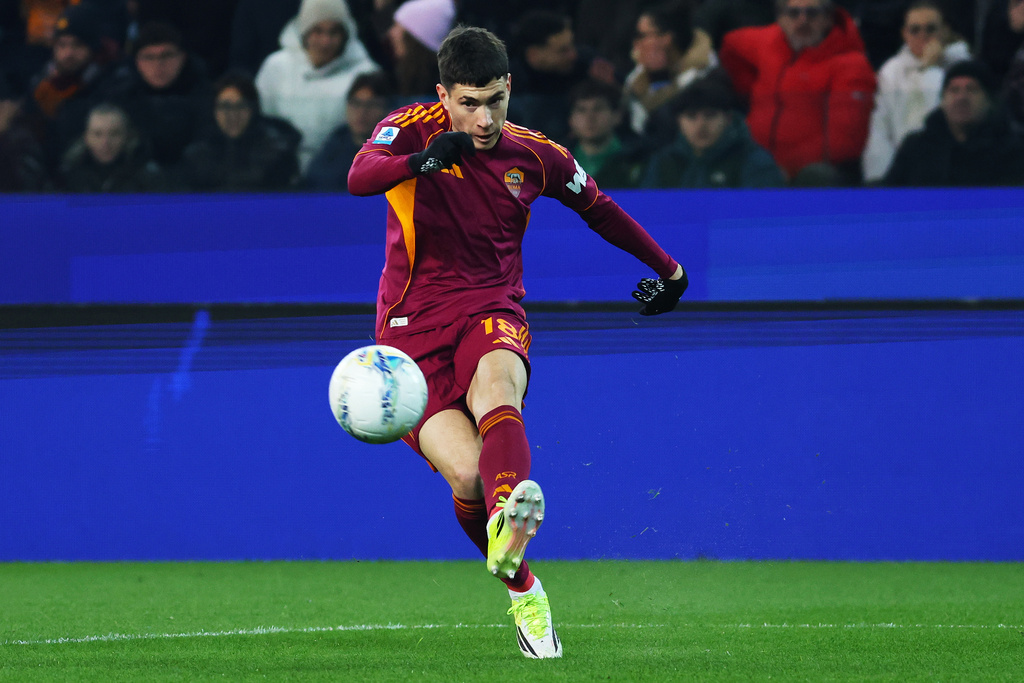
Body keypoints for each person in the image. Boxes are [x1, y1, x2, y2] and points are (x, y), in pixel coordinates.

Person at [347, 25, 687, 660]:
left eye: (495, 100)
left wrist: (668, 269)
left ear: (510, 88)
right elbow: (360, 176)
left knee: (499, 386)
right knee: (470, 476)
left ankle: (510, 518)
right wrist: (420, 162)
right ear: (443, 93)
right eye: (468, 102)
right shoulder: (409, 127)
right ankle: (520, 582)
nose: (483, 119)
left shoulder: (536, 155)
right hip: (408, 330)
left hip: (490, 306)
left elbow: (601, 207)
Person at [719, 0, 876, 184]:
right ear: (781, 19)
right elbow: (731, 45)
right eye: (794, 13)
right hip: (756, 167)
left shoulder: (850, 64)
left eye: (812, 13)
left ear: (828, 19)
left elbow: (843, 143)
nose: (803, 21)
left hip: (809, 178)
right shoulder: (768, 42)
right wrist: (747, 91)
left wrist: (784, 168)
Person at [255, 0, 380, 171]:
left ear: (345, 34)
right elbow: (262, 122)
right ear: (304, 31)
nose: (325, 41)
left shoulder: (364, 73)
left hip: (341, 174)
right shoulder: (275, 67)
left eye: (334, 32)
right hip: (279, 173)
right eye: (317, 31)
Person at [861, 0, 972, 184]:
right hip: (900, 170)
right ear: (904, 34)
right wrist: (882, 179)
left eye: (931, 29)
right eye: (915, 30)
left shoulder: (963, 67)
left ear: (944, 30)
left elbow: (941, 118)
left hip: (950, 170)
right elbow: (879, 130)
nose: (923, 36)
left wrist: (931, 69)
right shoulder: (891, 71)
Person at [884, 59, 1024, 186]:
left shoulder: (1012, 149)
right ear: (942, 100)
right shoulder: (916, 147)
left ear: (989, 101)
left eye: (972, 90)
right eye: (954, 90)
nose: (961, 97)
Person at [100, 21, 213, 168]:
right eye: (149, 57)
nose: (158, 64)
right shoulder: (119, 100)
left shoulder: (209, 98)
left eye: (167, 55)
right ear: (137, 63)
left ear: (183, 57)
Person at [642, 73, 785, 188]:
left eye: (710, 115)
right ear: (679, 121)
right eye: (691, 117)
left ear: (728, 119)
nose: (701, 125)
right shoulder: (664, 162)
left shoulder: (753, 161)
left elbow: (762, 216)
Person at [177, 70, 301, 192]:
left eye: (241, 106)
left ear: (253, 109)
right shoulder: (197, 156)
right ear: (213, 110)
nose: (233, 115)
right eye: (225, 107)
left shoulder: (277, 155)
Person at [624, 0, 719, 138]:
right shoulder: (641, 73)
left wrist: (659, 77)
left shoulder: (707, 75)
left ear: (666, 38)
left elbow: (660, 127)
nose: (636, 42)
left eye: (642, 35)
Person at [305, 70, 393, 191]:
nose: (362, 112)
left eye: (372, 105)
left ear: (387, 110)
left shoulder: (397, 148)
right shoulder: (335, 144)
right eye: (356, 104)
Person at [57, 101, 165, 192]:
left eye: (114, 134)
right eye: (97, 134)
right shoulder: (67, 176)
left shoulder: (147, 176)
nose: (105, 142)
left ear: (127, 137)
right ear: (86, 138)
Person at [566, 78, 647, 189]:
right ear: (571, 120)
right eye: (581, 110)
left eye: (598, 109)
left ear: (617, 116)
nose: (590, 118)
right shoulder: (554, 163)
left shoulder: (639, 158)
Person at [386, 0, 456, 99]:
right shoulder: (394, 79)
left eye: (398, 27)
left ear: (414, 38)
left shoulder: (437, 95)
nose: (391, 33)